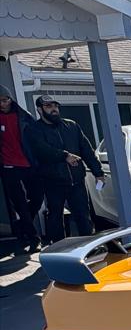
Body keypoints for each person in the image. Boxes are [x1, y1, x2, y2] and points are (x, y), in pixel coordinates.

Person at [23, 94, 103, 244]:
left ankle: (89, 248)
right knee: (55, 218)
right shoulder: (33, 129)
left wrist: (98, 172)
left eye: (55, 106)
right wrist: (64, 156)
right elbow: (41, 150)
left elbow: (86, 149)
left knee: (83, 217)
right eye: (48, 106)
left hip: (77, 181)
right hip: (52, 182)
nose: (53, 109)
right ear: (39, 110)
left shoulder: (71, 126)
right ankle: (59, 249)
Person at [0, 84, 41, 253]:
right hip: (8, 166)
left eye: (5, 100)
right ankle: (33, 238)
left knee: (37, 197)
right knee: (20, 203)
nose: (2, 104)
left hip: (28, 164)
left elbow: (36, 140)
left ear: (10, 99)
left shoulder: (24, 116)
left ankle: (21, 226)